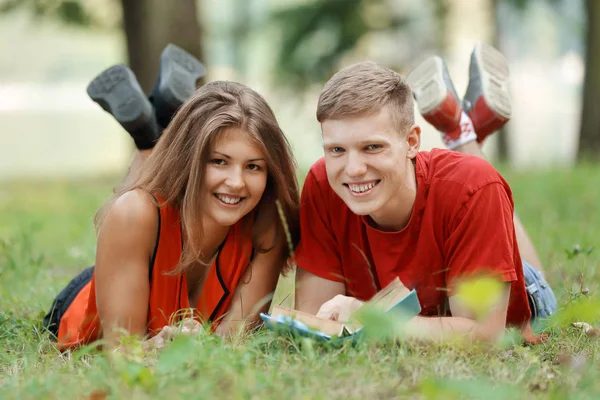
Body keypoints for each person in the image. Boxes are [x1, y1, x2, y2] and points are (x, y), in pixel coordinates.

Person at [293, 43, 557, 343]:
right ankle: (464, 131)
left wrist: (371, 318)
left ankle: (463, 137)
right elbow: (312, 324)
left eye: (372, 147)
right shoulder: (324, 181)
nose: (352, 169)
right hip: (428, 292)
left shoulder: (472, 186)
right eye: (336, 149)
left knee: (481, 190)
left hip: (523, 295)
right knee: (478, 189)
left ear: (412, 141)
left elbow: (483, 336)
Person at [43, 45, 300, 350]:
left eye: (254, 166)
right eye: (218, 161)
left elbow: (233, 345)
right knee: (139, 205)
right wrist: (158, 348)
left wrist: (194, 351)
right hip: (101, 288)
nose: (236, 182)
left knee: (155, 198)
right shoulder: (133, 215)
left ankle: (154, 130)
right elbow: (123, 353)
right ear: (192, 159)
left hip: (151, 240)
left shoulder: (271, 221)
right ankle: (154, 134)